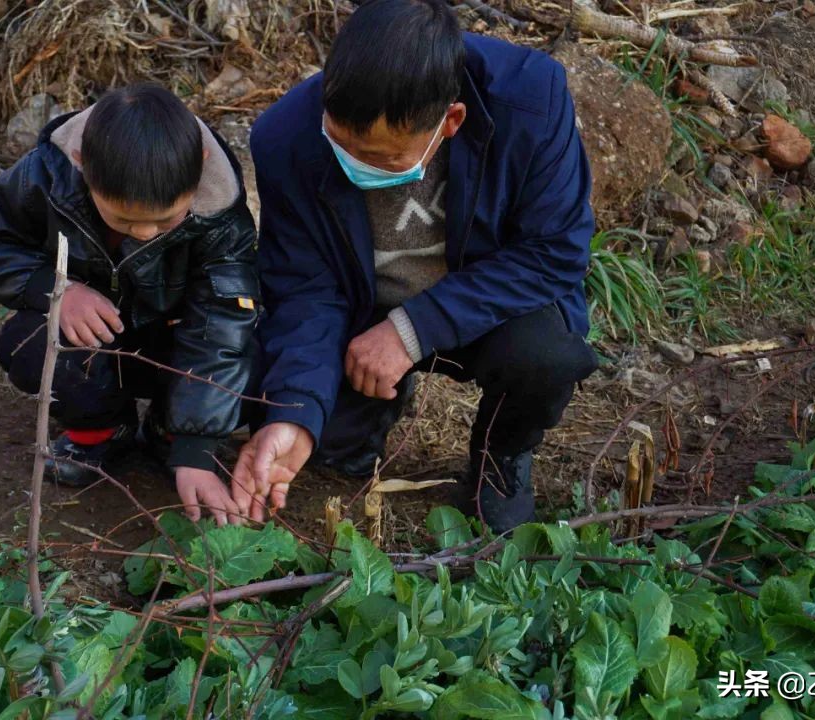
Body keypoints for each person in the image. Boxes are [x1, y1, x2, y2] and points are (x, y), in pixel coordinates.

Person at [233, 0, 599, 533]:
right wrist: (295, 412)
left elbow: (555, 252)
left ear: (451, 121)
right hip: (360, 310)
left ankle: (502, 459)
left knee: (545, 358)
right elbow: (304, 288)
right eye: (340, 145)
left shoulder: (530, 103)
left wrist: (412, 331)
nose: (355, 167)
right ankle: (367, 411)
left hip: (487, 309)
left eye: (382, 159)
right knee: (316, 433)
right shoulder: (284, 138)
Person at [0, 83, 260, 525]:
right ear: (82, 166)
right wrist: (56, 291)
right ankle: (103, 430)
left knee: (256, 346)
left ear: (200, 168)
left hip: (177, 343)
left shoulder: (221, 211)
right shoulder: (46, 174)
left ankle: (171, 431)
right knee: (28, 344)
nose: (144, 233)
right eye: (124, 219)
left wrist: (196, 447)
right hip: (92, 342)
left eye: (166, 220)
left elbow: (221, 320)